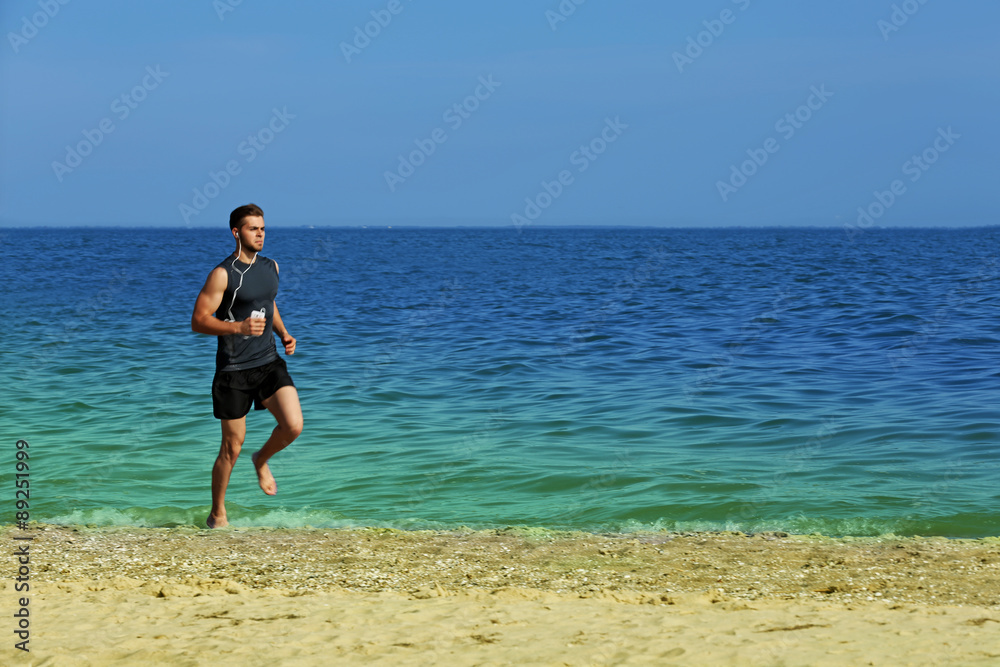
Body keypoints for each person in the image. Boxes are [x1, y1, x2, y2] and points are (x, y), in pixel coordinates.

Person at [191, 203, 303, 529]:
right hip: (233, 371)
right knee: (231, 448)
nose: (260, 234)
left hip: (268, 362)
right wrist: (238, 328)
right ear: (236, 232)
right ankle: (217, 513)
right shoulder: (223, 274)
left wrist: (283, 333)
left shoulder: (272, 267)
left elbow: (268, 303)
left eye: (263, 228)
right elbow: (199, 321)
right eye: (253, 229)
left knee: (293, 425)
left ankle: (262, 459)